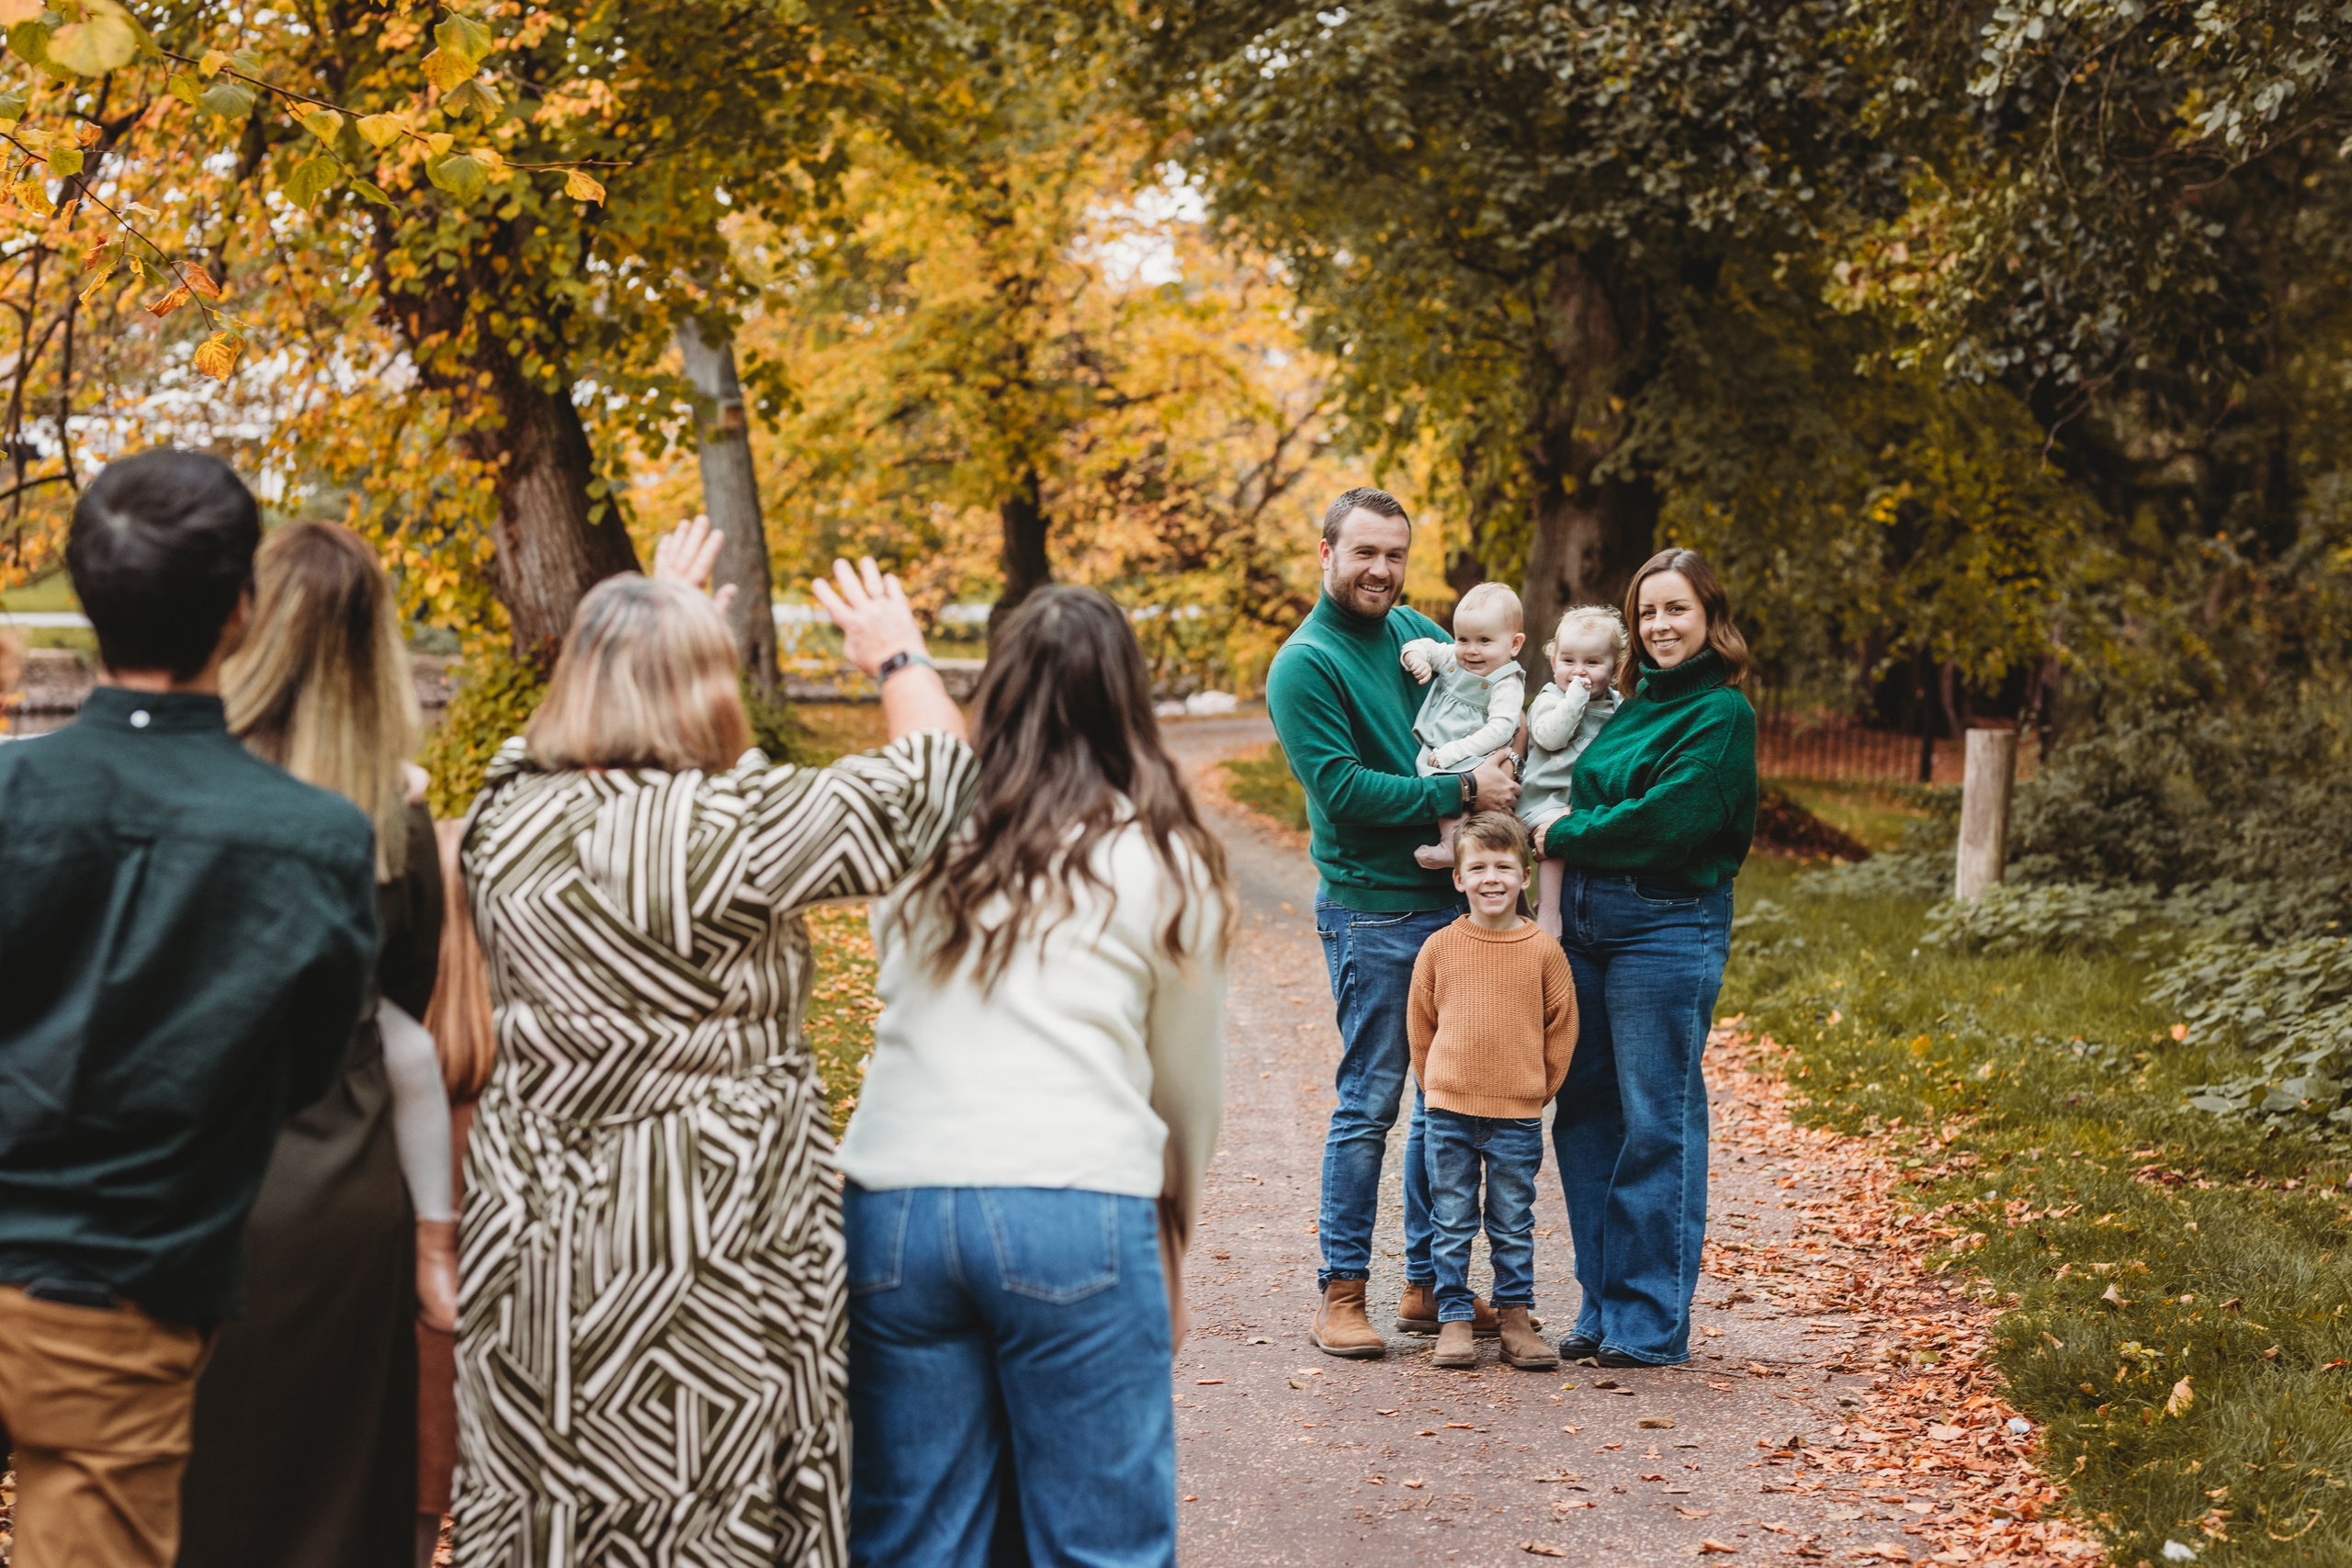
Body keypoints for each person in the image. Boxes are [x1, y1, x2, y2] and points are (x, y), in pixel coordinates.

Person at [451, 523, 972, 1568]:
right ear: (704, 688)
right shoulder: (721, 829)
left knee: (552, 1470)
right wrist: (897, 656)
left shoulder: (500, 817)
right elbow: (935, 791)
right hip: (701, 1225)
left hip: (537, 1217)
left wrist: (645, 611)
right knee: (707, 1488)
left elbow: (535, 739)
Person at [0, 450, 378, 1568]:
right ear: (241, 611)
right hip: (121, 1293)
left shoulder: (10, 795)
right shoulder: (313, 839)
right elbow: (305, 1067)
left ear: (87, 598)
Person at [839, 586, 1231, 1568]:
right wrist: (1171, 1233)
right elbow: (1185, 1088)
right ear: (1125, 697)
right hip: (1077, 1204)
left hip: (897, 1202)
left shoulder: (925, 830)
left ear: (999, 691)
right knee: (1101, 1545)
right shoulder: (1164, 853)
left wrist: (898, 661)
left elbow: (915, 752)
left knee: (916, 1541)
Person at [177, 520, 451, 1568]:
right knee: (336, 1492)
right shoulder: (390, 822)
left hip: (183, 1179)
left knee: (186, 1482)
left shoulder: (176, 798)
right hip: (337, 1188)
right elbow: (404, 1005)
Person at [1264, 485, 1521, 1359]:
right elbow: (1340, 789)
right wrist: (1461, 791)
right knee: (1369, 1101)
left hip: (1449, 910)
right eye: (1364, 552)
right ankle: (1341, 1292)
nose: (1381, 570)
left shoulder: (1416, 633)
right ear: (1326, 554)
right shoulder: (1306, 662)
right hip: (1371, 911)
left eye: (1395, 554)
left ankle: (1426, 1284)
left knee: (1440, 1104)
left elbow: (1491, 696)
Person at [1542, 547, 1758, 1369]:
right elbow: (1580, 779)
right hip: (1591, 925)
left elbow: (1671, 819)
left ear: (1710, 617)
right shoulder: (1630, 707)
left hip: (1664, 925)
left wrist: (1564, 833)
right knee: (1587, 1112)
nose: (1659, 625)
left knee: (1654, 1119)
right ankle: (1601, 1304)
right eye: (1647, 613)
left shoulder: (1720, 714)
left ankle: (1649, 1319)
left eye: (1675, 609)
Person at [1407, 813, 1576, 1372]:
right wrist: (1434, 1088)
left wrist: (1536, 1091)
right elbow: (1421, 1024)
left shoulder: (1543, 950)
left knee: (1511, 1219)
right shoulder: (1438, 947)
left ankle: (1515, 1319)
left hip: (1517, 1114)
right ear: (1458, 879)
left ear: (1525, 876)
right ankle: (1453, 1318)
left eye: (1504, 866)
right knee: (1451, 1217)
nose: (1491, 878)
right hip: (1449, 1110)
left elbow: (1562, 1026)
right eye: (1477, 867)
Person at [1399, 581, 1527, 870]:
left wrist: (1454, 752)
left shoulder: (1506, 682)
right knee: (1446, 787)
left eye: (1484, 641)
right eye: (1463, 639)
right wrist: (1416, 659)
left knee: (1454, 788)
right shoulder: (1455, 658)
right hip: (1446, 744)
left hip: (1476, 749)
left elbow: (1501, 728)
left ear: (1514, 644)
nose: (1471, 650)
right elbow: (1422, 646)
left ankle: (1452, 846)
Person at [1518, 605, 1627, 939]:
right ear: (1553, 664)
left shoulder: (1617, 706)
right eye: (1568, 661)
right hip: (1544, 797)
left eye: (1592, 663)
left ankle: (1564, 903)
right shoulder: (1550, 700)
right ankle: (1549, 913)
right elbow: (1551, 737)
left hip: (1584, 800)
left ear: (1616, 668)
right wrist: (1575, 699)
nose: (1579, 672)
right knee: (1556, 834)